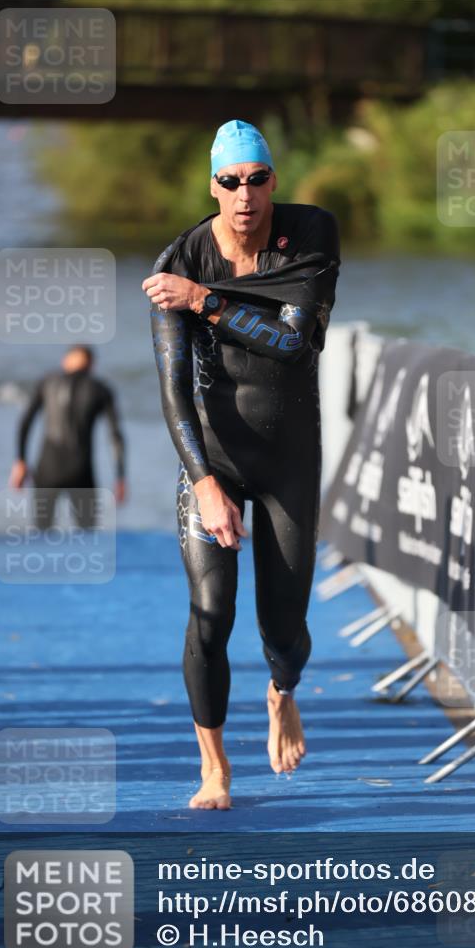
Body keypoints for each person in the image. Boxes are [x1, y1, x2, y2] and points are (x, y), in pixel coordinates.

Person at [142, 119, 340, 810]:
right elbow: (171, 395)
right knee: (209, 612)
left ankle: (282, 691)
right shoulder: (181, 258)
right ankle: (215, 768)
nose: (244, 195)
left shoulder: (312, 234)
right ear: (213, 187)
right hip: (214, 458)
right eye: (230, 182)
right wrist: (204, 485)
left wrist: (203, 302)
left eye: (256, 179)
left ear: (272, 183)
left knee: (283, 628)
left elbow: (293, 347)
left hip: (288, 454)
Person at [8, 344, 126, 527]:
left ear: (66, 361)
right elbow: (115, 436)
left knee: (42, 534)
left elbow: (25, 422)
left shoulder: (47, 382)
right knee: (86, 534)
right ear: (91, 365)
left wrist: (20, 461)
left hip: (47, 468)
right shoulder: (100, 389)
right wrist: (120, 477)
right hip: (81, 470)